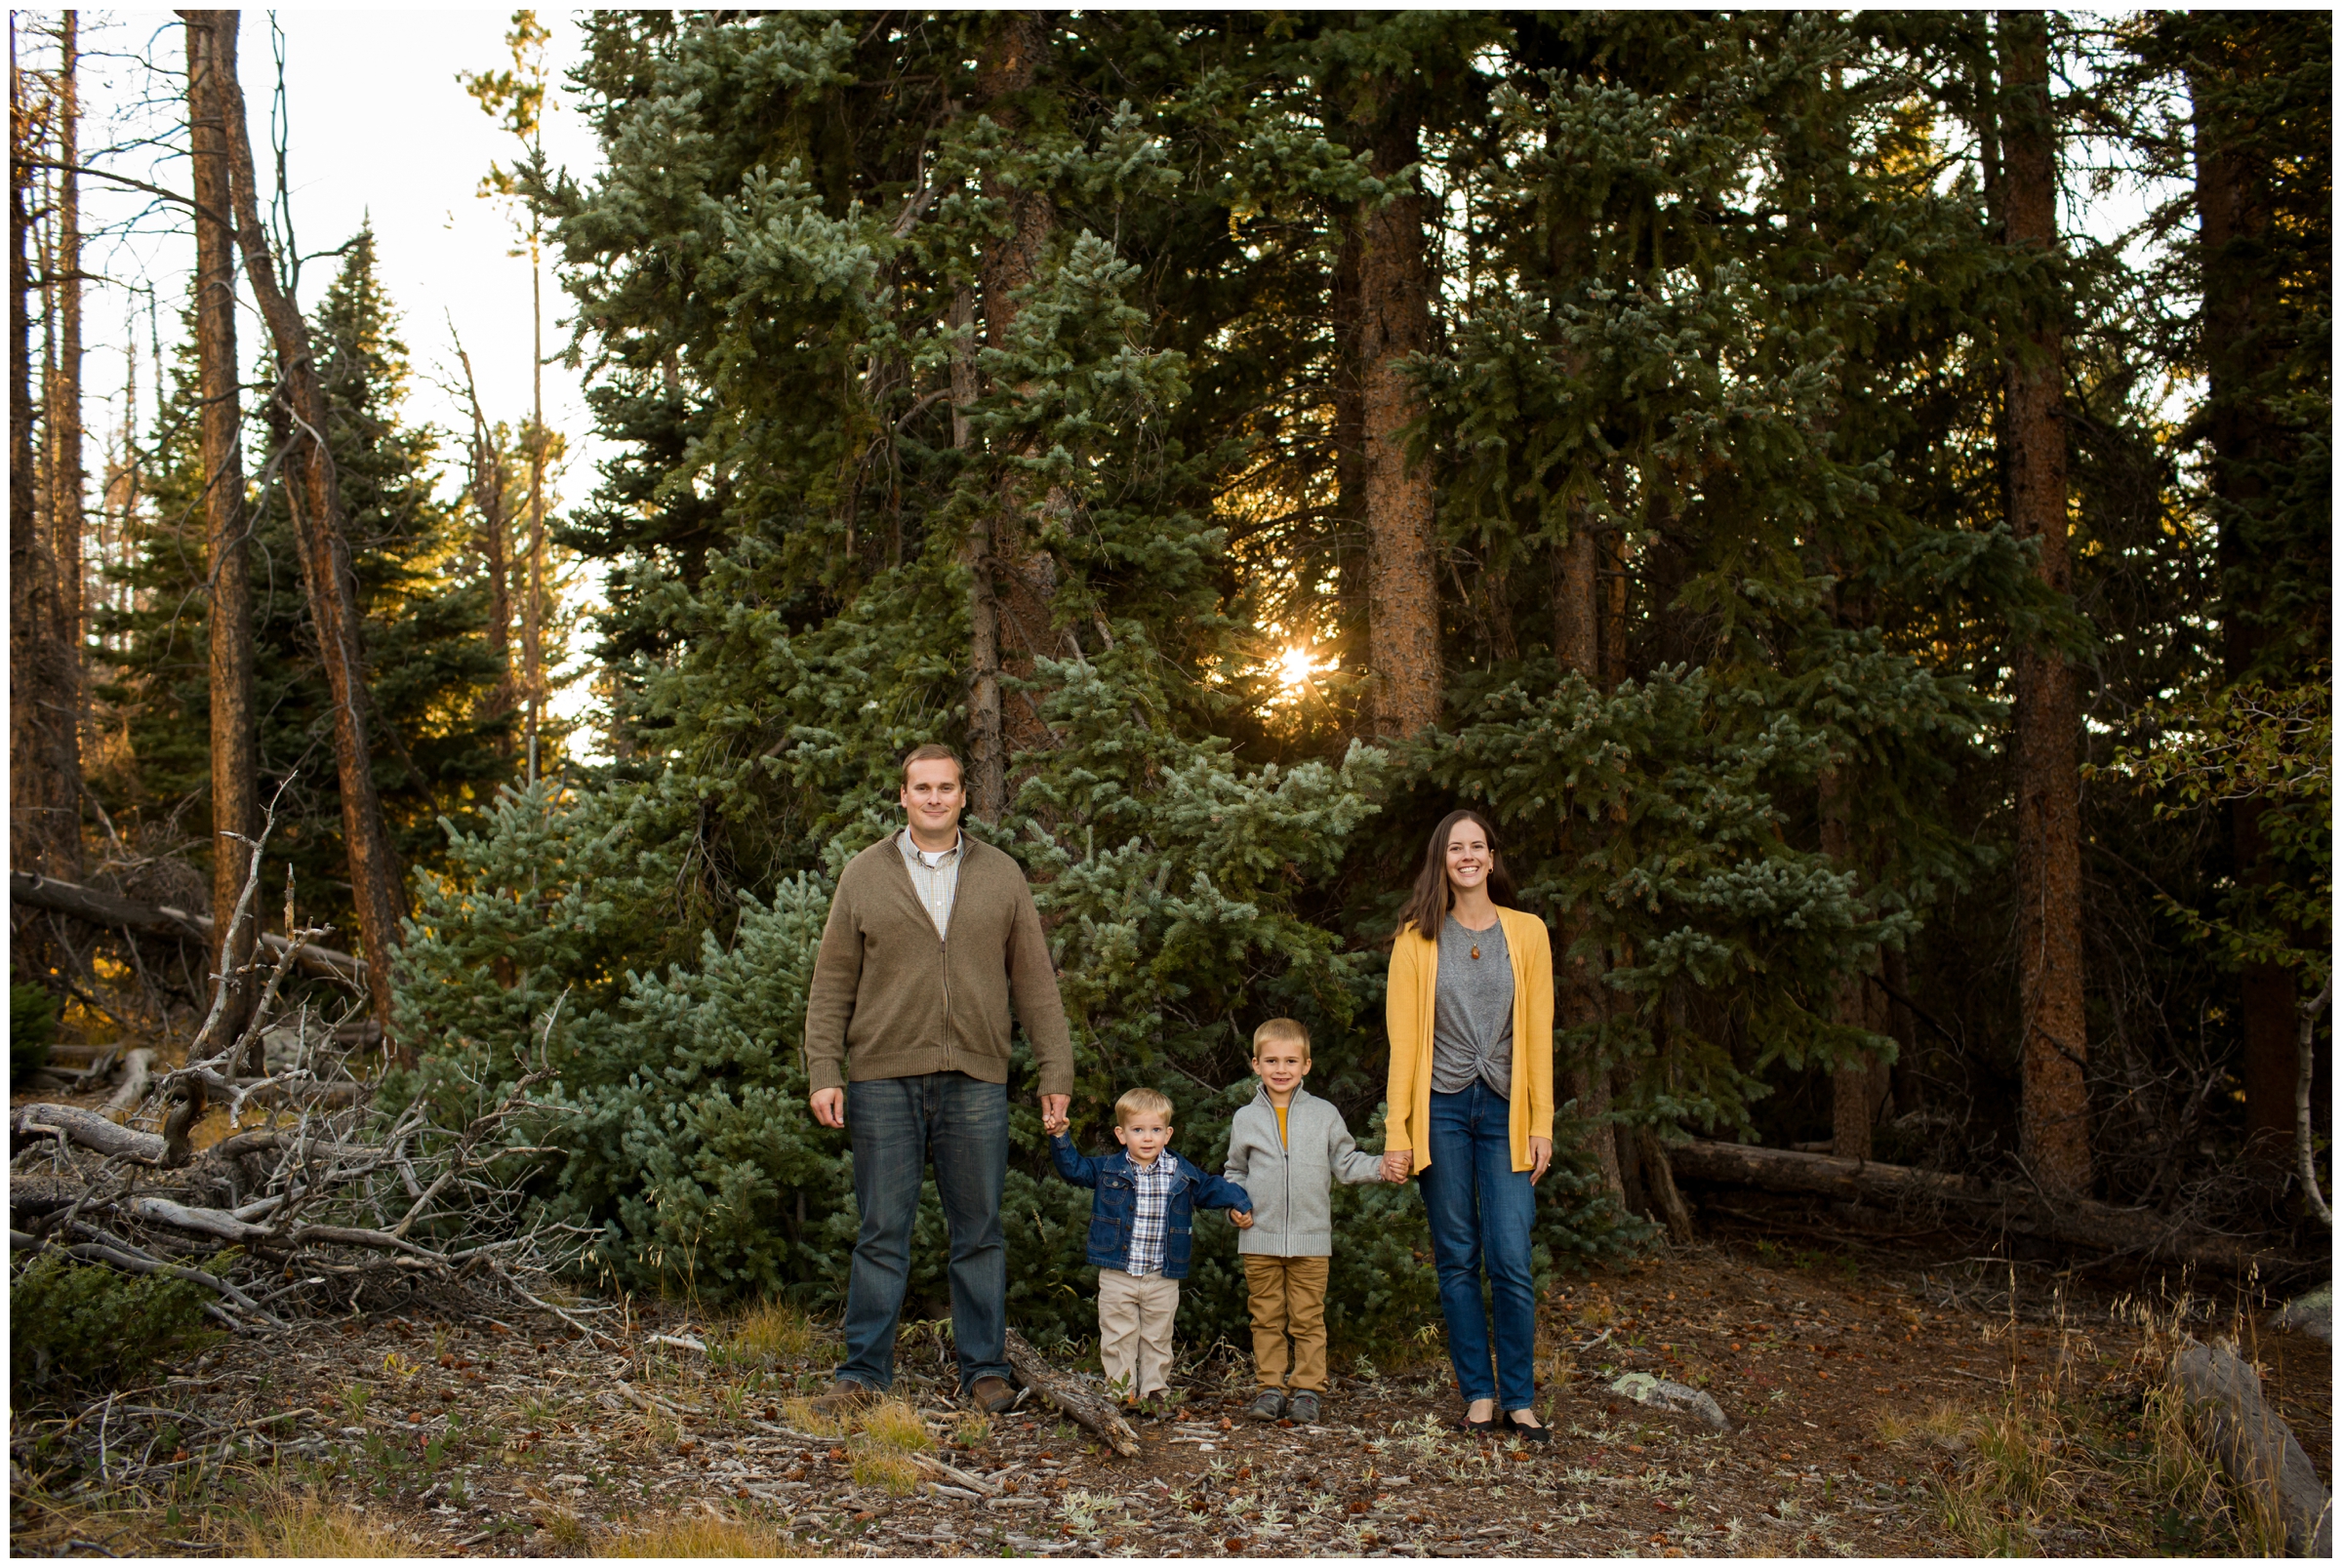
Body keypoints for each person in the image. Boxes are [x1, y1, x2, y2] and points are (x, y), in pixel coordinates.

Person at [801, 743, 1073, 1417]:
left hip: (974, 1079)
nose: (933, 797)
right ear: (902, 796)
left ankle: (984, 1370)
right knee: (881, 1229)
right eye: (920, 787)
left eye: (945, 787)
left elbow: (1035, 981)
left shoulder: (1001, 874)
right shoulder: (864, 874)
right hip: (880, 1080)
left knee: (978, 1230)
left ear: (962, 797)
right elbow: (832, 979)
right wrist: (823, 1068)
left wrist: (1055, 1068)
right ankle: (863, 1372)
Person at [1381, 809, 1556, 1441]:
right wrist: (1398, 1132)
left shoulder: (1528, 932)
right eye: (1456, 847)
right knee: (1456, 1256)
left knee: (1510, 1255)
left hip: (1508, 1110)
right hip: (1443, 1110)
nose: (1467, 855)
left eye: (1477, 845)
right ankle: (1478, 1395)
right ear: (1442, 859)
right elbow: (1403, 1045)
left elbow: (1538, 1037)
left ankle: (1520, 1397)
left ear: (1491, 855)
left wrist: (1542, 1122)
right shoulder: (1416, 938)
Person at [1223, 1017, 1390, 1425]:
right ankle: (1270, 1388)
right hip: (1259, 1239)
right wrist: (1234, 1206)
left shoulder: (1324, 1115)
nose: (1282, 1069)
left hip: (1310, 1241)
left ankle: (1308, 1390)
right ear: (1256, 1065)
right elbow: (1234, 1173)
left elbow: (1346, 1164)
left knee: (1307, 1318)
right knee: (1265, 1316)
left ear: (1307, 1066)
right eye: (1272, 1061)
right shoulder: (1246, 1118)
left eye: (1291, 1061)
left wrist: (1384, 1166)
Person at [1049, 1086, 1252, 1412]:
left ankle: (1155, 1391)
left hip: (1162, 1274)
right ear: (1121, 1134)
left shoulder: (1179, 1172)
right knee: (1118, 1335)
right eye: (1138, 1130)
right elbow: (1074, 1169)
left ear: (1167, 1134)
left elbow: (1212, 1188)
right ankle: (1121, 1392)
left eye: (1155, 1130)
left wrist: (1239, 1200)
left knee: (1158, 1336)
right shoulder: (1108, 1170)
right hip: (1118, 1272)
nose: (1147, 1138)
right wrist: (1060, 1137)